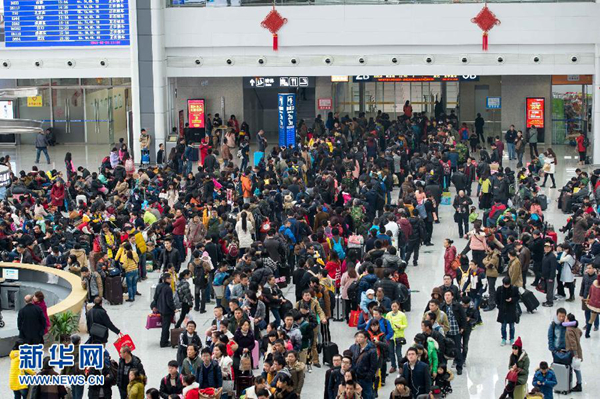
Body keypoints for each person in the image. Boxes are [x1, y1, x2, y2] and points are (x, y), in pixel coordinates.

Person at [349, 331, 377, 399]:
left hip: (365, 378)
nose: (358, 338)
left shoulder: (372, 350)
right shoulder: (354, 347)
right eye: (357, 336)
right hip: (355, 377)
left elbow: (373, 366)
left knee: (367, 395)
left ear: (366, 338)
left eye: (361, 337)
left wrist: (368, 377)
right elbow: (351, 360)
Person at [153, 273, 176, 348]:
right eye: (170, 278)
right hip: (167, 310)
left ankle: (164, 340)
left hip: (160, 309)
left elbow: (155, 297)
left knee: (164, 326)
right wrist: (174, 308)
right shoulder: (168, 289)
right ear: (166, 279)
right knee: (166, 327)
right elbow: (169, 301)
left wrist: (156, 306)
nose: (171, 279)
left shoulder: (159, 286)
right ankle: (164, 342)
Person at [495, 276, 519, 346]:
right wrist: (499, 306)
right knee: (503, 326)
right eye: (505, 284)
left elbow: (517, 297)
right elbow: (496, 298)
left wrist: (512, 299)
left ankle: (511, 338)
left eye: (507, 285)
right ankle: (503, 339)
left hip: (511, 309)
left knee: (512, 326)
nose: (506, 286)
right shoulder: (500, 289)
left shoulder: (514, 289)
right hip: (503, 310)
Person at [385, 300, 408, 374]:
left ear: (398, 306)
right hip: (391, 336)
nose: (394, 308)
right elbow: (386, 324)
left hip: (399, 336)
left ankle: (400, 366)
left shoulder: (402, 315)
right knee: (391, 352)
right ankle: (393, 366)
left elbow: (405, 325)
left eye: (395, 306)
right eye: (393, 306)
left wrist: (400, 326)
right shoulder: (388, 315)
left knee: (398, 353)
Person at [563, 313, 583, 392]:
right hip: (578, 351)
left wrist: (575, 354)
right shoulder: (575, 328)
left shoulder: (569, 329)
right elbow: (580, 333)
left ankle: (579, 384)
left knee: (576, 369)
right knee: (577, 368)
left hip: (573, 353)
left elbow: (573, 343)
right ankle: (579, 383)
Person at [580, 264, 599, 333]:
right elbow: (582, 285)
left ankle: (596, 325)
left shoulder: (597, 278)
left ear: (594, 269)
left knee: (594, 311)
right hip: (586, 296)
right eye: (587, 268)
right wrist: (581, 294)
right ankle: (587, 324)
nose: (588, 269)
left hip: (594, 298)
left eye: (590, 268)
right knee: (586, 311)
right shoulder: (585, 276)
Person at [541, 242, 558, 307]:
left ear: (551, 248)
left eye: (548, 247)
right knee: (547, 289)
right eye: (545, 247)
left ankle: (550, 302)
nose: (546, 249)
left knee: (549, 290)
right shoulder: (545, 255)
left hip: (549, 277)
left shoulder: (552, 256)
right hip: (545, 276)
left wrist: (551, 277)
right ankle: (547, 300)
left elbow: (553, 268)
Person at [584, 274, 600, 338]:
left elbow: (590, 294)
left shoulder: (594, 285)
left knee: (591, 319)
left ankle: (587, 334)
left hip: (594, 305)